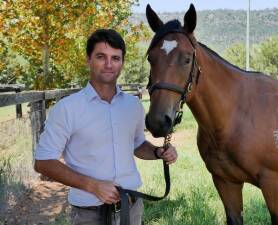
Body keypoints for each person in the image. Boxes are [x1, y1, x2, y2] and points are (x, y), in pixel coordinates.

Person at [34, 29, 178, 225]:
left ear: (122, 62)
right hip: (89, 215)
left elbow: (137, 145)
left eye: (116, 58)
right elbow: (43, 162)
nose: (109, 64)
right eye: (101, 57)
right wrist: (92, 186)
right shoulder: (67, 109)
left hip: (132, 209)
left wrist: (158, 152)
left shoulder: (133, 106)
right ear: (88, 59)